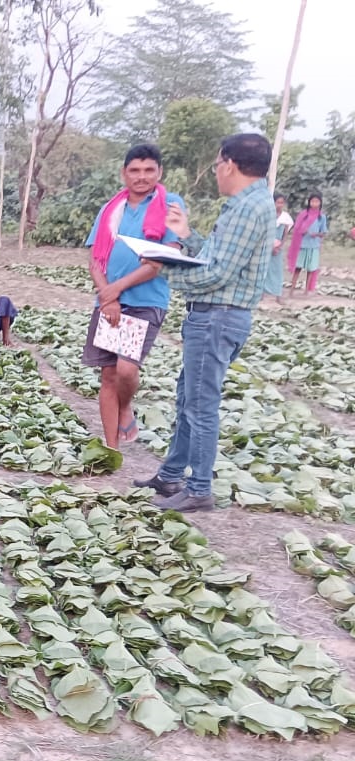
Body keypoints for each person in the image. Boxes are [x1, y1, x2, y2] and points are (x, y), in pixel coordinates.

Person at [134, 133, 275, 514]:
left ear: (229, 163)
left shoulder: (249, 208)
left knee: (200, 404)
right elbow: (216, 258)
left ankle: (198, 488)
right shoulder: (246, 203)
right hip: (216, 315)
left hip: (218, 315)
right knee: (188, 397)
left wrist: (163, 271)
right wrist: (186, 237)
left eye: (216, 165)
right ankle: (172, 474)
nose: (216, 172)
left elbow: (218, 275)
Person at [82, 143, 186, 450]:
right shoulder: (110, 208)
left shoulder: (171, 205)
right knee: (108, 375)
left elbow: (159, 261)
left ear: (159, 172)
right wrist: (108, 296)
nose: (141, 177)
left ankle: (125, 405)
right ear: (124, 173)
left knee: (127, 369)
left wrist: (115, 290)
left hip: (145, 301)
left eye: (148, 170)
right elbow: (95, 259)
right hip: (110, 302)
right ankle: (111, 448)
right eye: (135, 171)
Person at [287, 193, 327, 295]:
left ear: (320, 203)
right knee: (298, 268)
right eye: (312, 201)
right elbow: (296, 228)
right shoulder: (303, 215)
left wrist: (317, 234)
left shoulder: (321, 217)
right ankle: (292, 289)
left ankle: (306, 291)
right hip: (302, 245)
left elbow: (324, 232)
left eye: (317, 201)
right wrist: (302, 231)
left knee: (310, 269)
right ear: (309, 202)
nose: (314, 203)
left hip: (314, 246)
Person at [264, 192, 293, 300]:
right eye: (277, 202)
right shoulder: (268, 215)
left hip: (278, 247)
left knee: (277, 270)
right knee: (264, 269)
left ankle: (278, 295)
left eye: (281, 203)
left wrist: (279, 247)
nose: (279, 205)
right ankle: (262, 294)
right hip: (266, 246)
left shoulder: (285, 217)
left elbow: (285, 234)